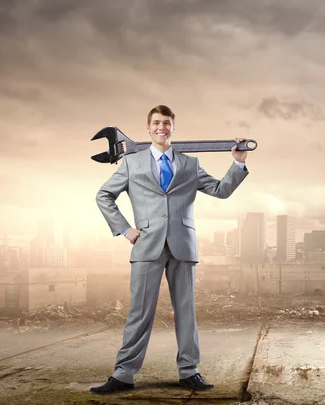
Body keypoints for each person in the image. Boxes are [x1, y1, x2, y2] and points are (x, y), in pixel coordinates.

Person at [90, 105, 249, 394]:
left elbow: (220, 190)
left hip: (182, 247)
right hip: (146, 245)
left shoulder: (190, 164)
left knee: (185, 311)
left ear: (173, 128)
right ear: (148, 128)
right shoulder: (132, 163)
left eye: (166, 123)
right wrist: (125, 229)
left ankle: (189, 371)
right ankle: (123, 375)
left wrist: (237, 163)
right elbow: (104, 195)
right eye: (156, 123)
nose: (161, 127)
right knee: (139, 312)